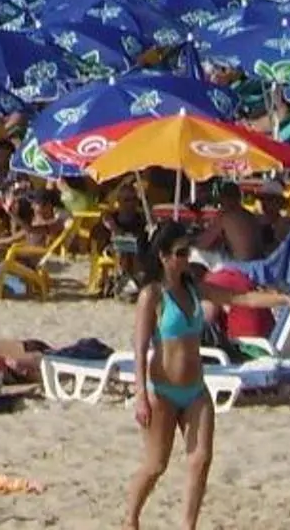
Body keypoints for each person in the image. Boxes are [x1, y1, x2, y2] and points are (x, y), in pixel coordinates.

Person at [124, 227, 217, 530]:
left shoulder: (194, 288)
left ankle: (187, 526)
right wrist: (140, 396)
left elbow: (239, 297)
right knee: (156, 465)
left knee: (201, 459)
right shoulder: (152, 295)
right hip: (161, 390)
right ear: (163, 257)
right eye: (179, 253)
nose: (186, 258)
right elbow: (139, 348)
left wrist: (283, 299)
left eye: (187, 252)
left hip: (195, 389)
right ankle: (131, 518)